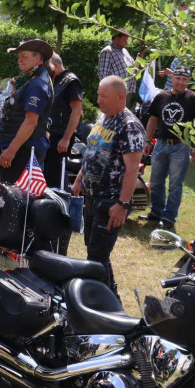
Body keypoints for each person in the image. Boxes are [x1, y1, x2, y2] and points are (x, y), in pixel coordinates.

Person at [71, 76, 146, 296]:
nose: (98, 100)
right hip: (92, 198)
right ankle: (106, 296)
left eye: (104, 96)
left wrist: (122, 204)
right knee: (94, 252)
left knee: (97, 256)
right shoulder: (104, 117)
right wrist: (79, 180)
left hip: (112, 200)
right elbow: (93, 151)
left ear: (120, 97)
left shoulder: (129, 125)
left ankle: (106, 302)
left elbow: (132, 169)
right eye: (99, 94)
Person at [142, 67, 195, 230]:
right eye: (178, 78)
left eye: (184, 79)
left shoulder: (194, 99)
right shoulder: (161, 96)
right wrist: (147, 141)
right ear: (172, 78)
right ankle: (156, 213)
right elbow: (153, 119)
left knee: (175, 185)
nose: (181, 82)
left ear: (189, 80)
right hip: (161, 144)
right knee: (156, 181)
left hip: (181, 147)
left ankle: (169, 218)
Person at [0, 38, 53, 183]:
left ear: (37, 58)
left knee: (18, 199)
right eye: (19, 56)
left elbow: (30, 122)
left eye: (24, 56)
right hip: (21, 147)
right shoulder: (29, 79)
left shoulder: (36, 84)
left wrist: (11, 151)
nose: (20, 60)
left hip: (24, 149)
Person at [44, 52, 84, 191]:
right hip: (51, 135)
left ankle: (64, 206)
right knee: (48, 175)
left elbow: (77, 110)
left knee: (55, 176)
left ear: (55, 64)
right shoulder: (54, 81)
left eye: (46, 66)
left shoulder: (70, 81)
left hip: (61, 136)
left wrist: (66, 138)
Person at [98, 30, 137, 106]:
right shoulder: (107, 51)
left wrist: (139, 59)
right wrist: (108, 94)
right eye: (124, 40)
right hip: (114, 94)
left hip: (126, 92)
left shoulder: (124, 50)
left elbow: (132, 65)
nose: (126, 42)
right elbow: (102, 75)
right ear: (116, 38)